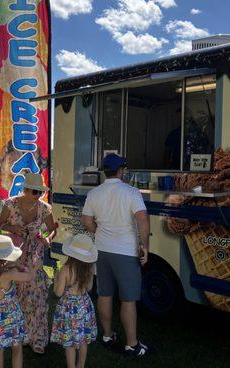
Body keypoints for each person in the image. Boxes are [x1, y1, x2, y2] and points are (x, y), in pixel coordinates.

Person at [82, 153, 151, 358]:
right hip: (125, 251)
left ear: (105, 172)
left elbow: (87, 220)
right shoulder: (131, 192)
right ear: (121, 171)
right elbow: (143, 219)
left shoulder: (94, 193)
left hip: (102, 250)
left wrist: (99, 232)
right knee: (128, 300)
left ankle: (107, 335)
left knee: (105, 294)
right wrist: (144, 246)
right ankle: (131, 345)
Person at [0, 172, 57, 354]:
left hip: (35, 255)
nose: (37, 195)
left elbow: (53, 230)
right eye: (34, 191)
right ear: (25, 190)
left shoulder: (45, 208)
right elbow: (0, 224)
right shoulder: (10, 204)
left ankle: (38, 338)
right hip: (14, 254)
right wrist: (12, 227)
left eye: (40, 192)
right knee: (17, 295)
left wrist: (48, 239)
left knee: (37, 297)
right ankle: (20, 335)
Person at [0, 235, 36, 368]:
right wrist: (31, 265)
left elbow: (8, 269)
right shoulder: (9, 274)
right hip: (9, 315)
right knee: (16, 347)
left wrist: (14, 265)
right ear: (6, 258)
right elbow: (29, 276)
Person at [51, 234, 98, 368]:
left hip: (68, 309)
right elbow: (89, 288)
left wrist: (55, 281)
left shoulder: (65, 269)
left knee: (70, 343)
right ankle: (81, 365)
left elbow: (58, 292)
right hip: (84, 305)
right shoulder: (89, 269)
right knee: (82, 339)